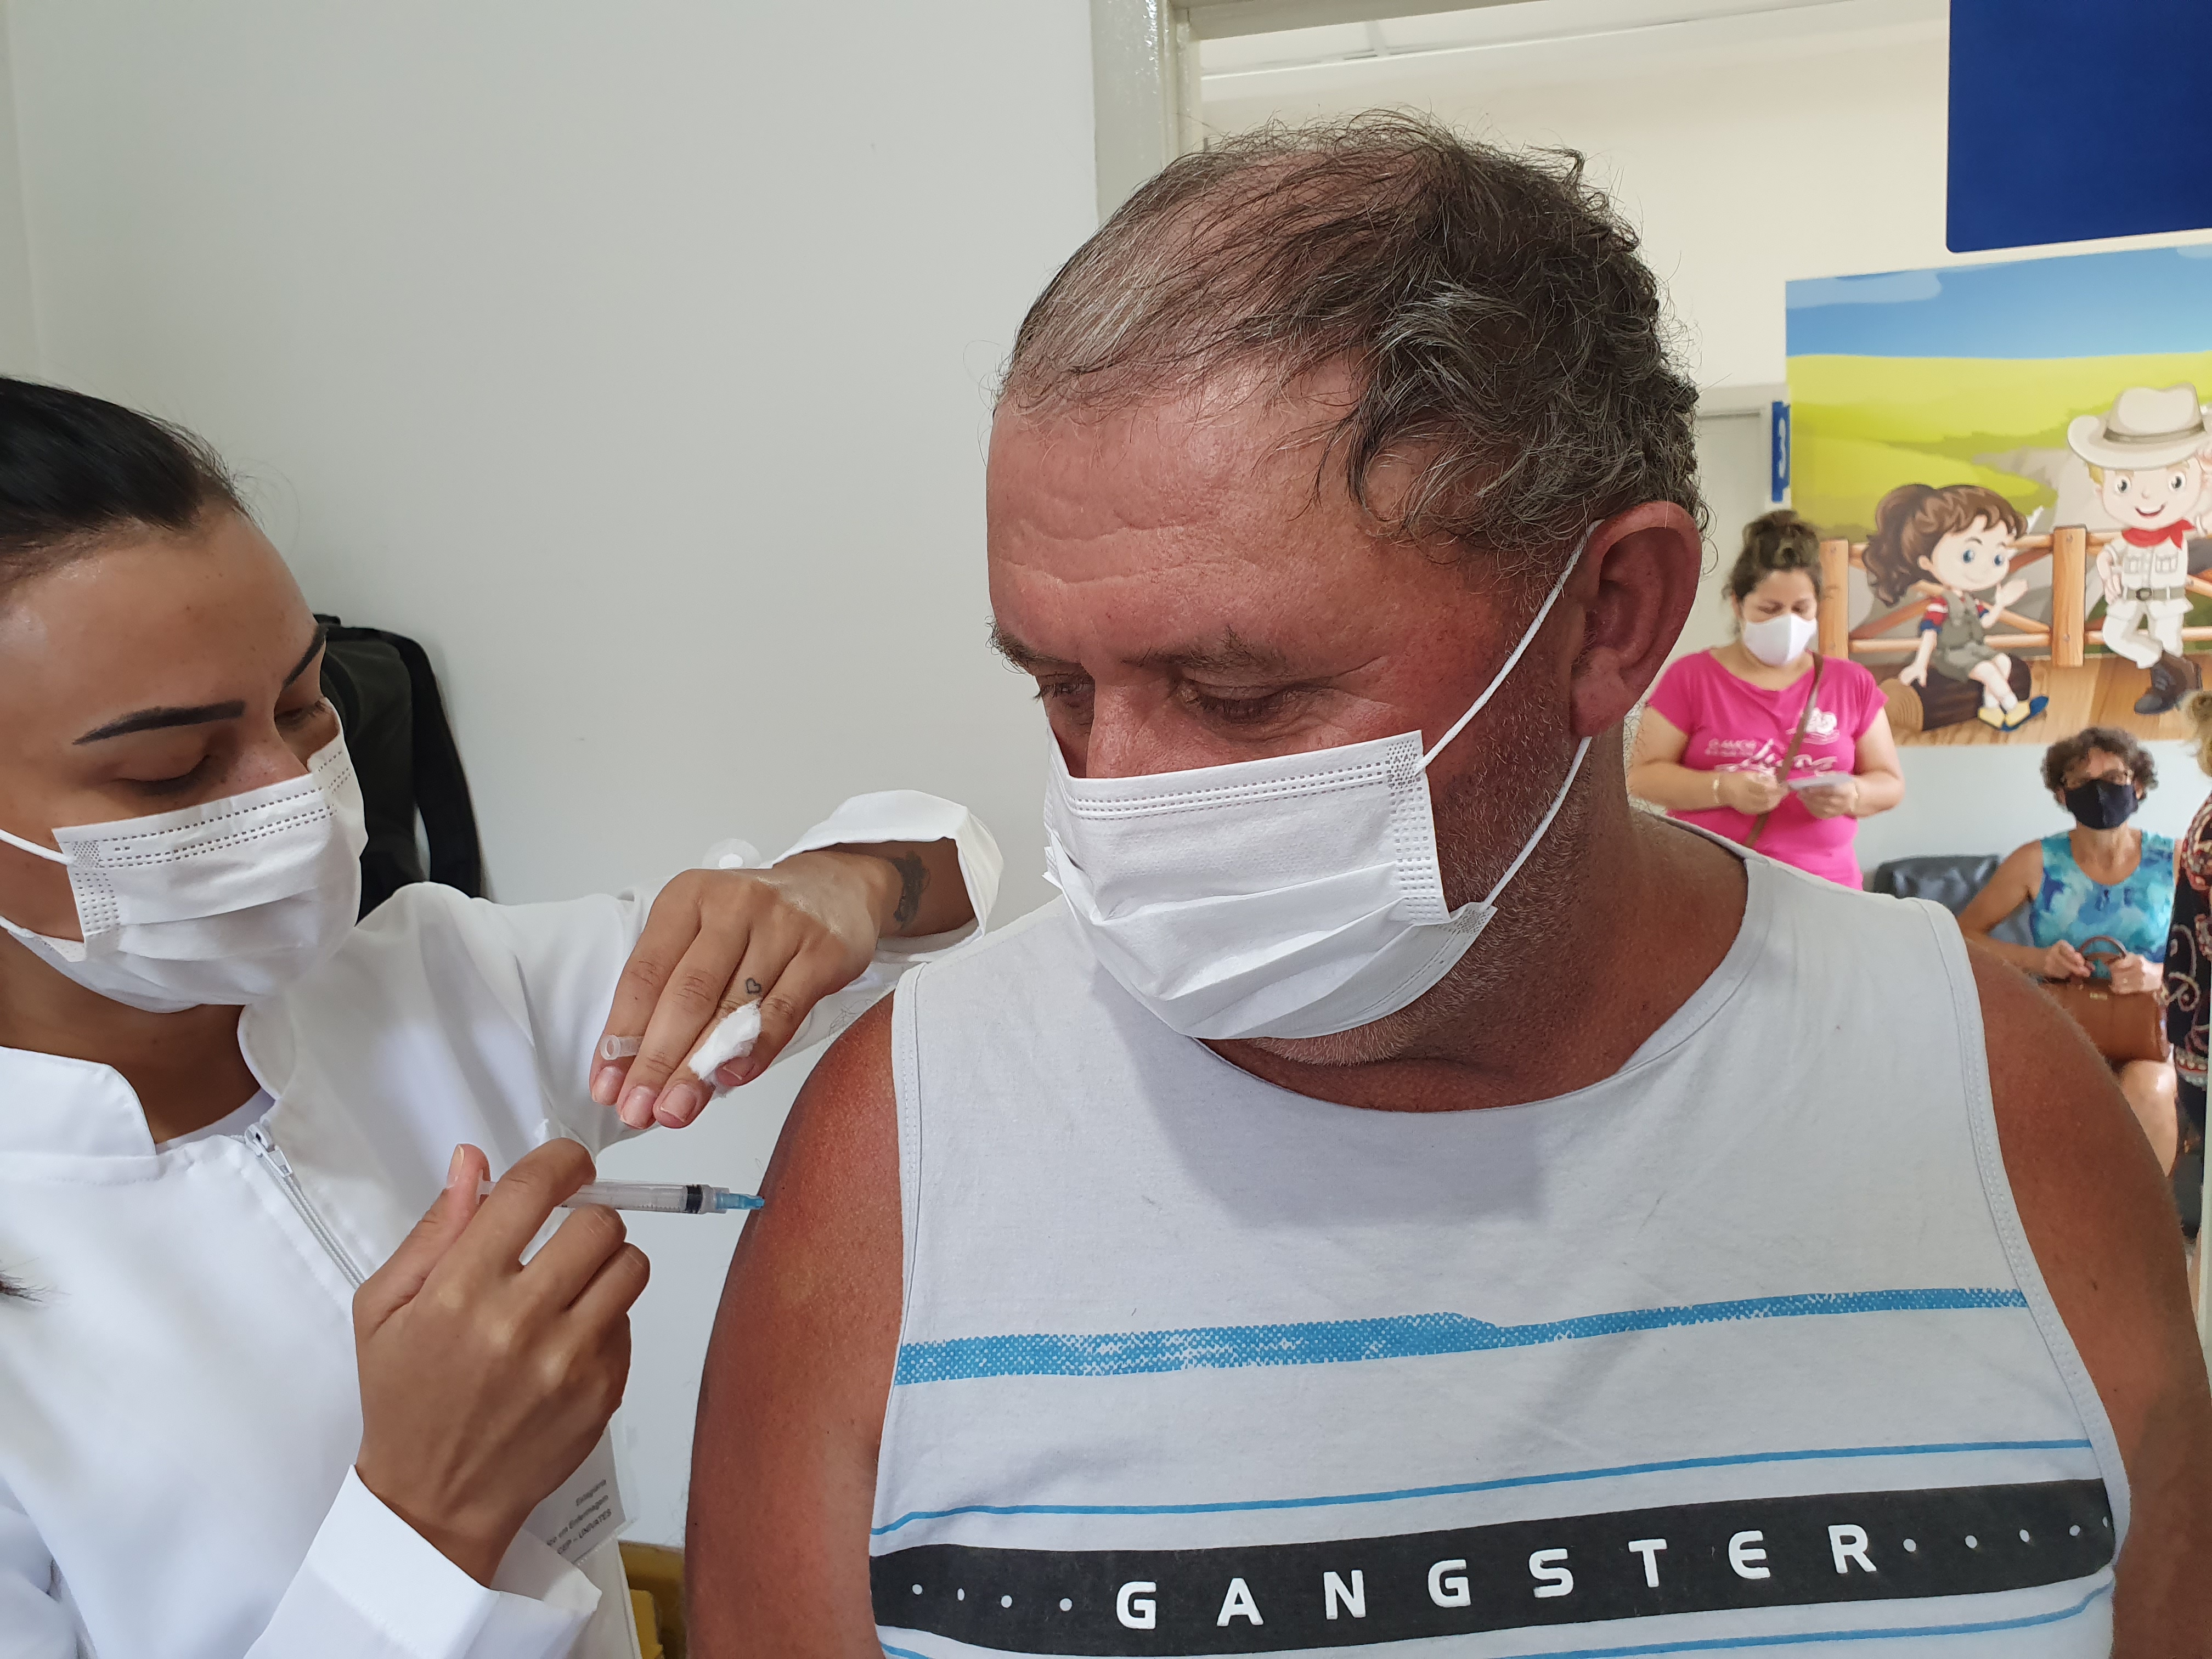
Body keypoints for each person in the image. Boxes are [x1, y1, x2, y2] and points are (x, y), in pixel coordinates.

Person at [685, 117, 2210, 1657]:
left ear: (1612, 617)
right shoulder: (908, 1147)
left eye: (1239, 692)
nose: (1117, 795)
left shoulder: (1988, 1100)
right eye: (1061, 686)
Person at [0, 378, 1001, 1657]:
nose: (293, 798)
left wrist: (836, 887)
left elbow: (945, 876)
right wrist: (426, 1520)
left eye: (305, 706)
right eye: (172, 769)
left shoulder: (433, 986)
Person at [1627, 510, 1901, 887]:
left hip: (1826, 889)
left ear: (1818, 606)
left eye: (1801, 609)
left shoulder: (1851, 683)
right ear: (1738, 605)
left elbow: (1890, 783)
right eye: (1770, 610)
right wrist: (1723, 789)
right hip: (1711, 887)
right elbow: (1642, 778)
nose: (1787, 622)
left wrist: (1853, 795)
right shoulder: (1691, 678)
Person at [1958, 728, 2177, 1175]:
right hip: (2062, 1025)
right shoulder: (2036, 861)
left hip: (2149, 1029)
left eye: (2114, 777)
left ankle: (2140, 1214)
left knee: (2149, 1088)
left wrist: (2158, 972)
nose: (2099, 790)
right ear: (2062, 794)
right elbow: (1963, 935)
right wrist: (2038, 961)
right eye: (2081, 781)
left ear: (2138, 785)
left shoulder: (2174, 861)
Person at [2066, 385, 2210, 715]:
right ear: (2100, 490)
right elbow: (2109, 554)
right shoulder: (2129, 538)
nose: (2147, 497)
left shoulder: (2183, 529)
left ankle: (2171, 690)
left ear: (2201, 481)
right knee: (2115, 634)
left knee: (2170, 640)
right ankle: (2178, 671)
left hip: (2168, 599)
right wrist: (2107, 575)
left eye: (2175, 482)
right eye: (2124, 485)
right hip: (2128, 597)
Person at [1862, 482, 2048, 733]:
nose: (1985, 568)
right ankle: (2014, 709)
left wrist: (2001, 603)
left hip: (1975, 650)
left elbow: (1985, 623)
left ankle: (1991, 709)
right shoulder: (1941, 605)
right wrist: (1919, 664)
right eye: (1969, 556)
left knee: (2003, 662)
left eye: (1998, 558)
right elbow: (1930, 635)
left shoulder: (1972, 601)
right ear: (1926, 562)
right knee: (1989, 672)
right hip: (1952, 657)